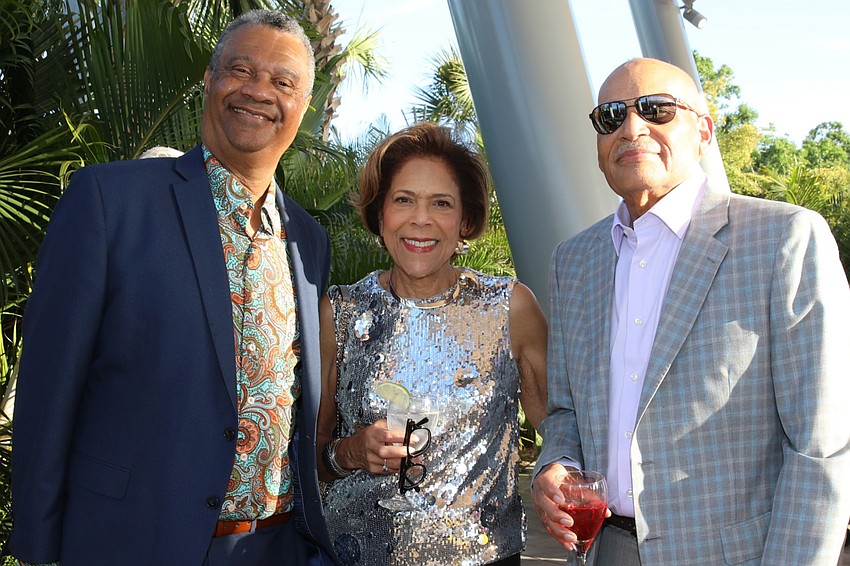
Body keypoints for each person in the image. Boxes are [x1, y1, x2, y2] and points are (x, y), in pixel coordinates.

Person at [7, 10, 337, 566]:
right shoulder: (110, 202)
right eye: (240, 69)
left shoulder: (309, 239)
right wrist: (39, 549)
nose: (258, 91)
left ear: (303, 108)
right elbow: (48, 392)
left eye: (283, 82)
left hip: (277, 545)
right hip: (132, 541)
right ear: (209, 80)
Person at [531, 57, 850, 565]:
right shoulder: (574, 260)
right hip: (601, 551)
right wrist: (558, 462)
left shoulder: (784, 239)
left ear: (702, 131)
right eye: (611, 116)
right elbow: (566, 409)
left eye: (656, 110)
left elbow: (822, 447)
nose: (632, 127)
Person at [316, 122, 548, 565]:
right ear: (380, 213)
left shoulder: (509, 308)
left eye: (441, 203)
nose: (420, 219)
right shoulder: (341, 313)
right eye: (403, 200)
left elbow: (562, 429)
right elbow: (308, 460)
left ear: (464, 220)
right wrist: (348, 452)